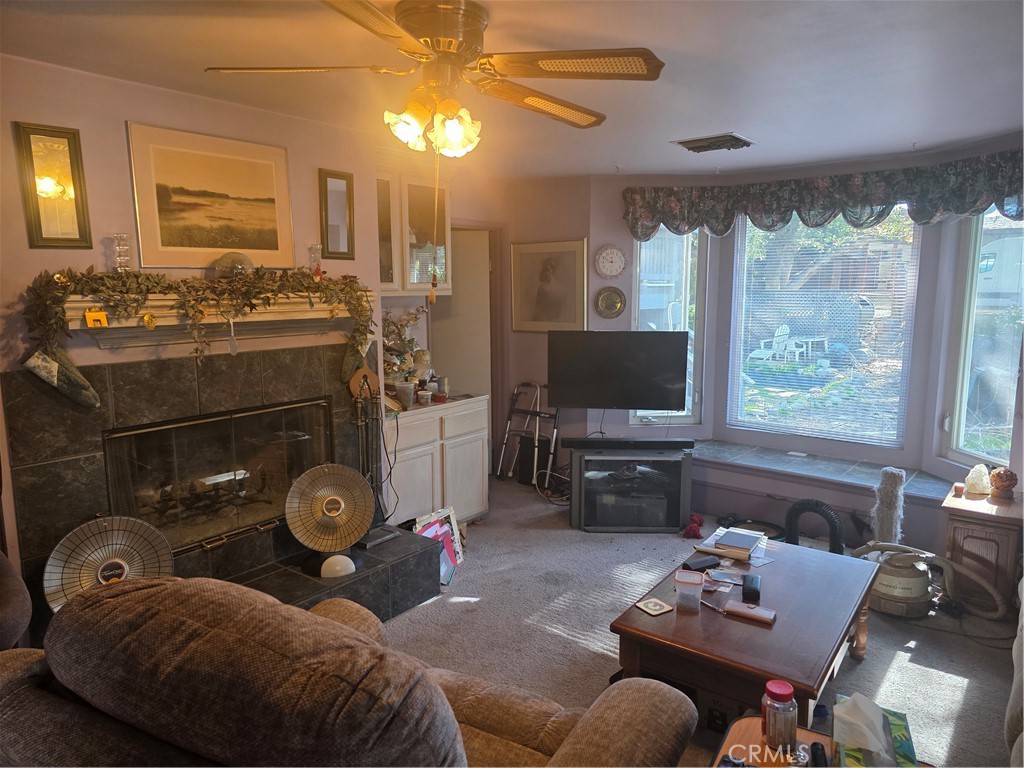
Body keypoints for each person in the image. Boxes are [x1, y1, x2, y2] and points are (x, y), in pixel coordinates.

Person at [532, 255, 569, 322]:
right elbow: (538, 309)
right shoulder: (543, 288)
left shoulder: (544, 288)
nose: (547, 273)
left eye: (548, 270)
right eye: (545, 271)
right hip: (545, 320)